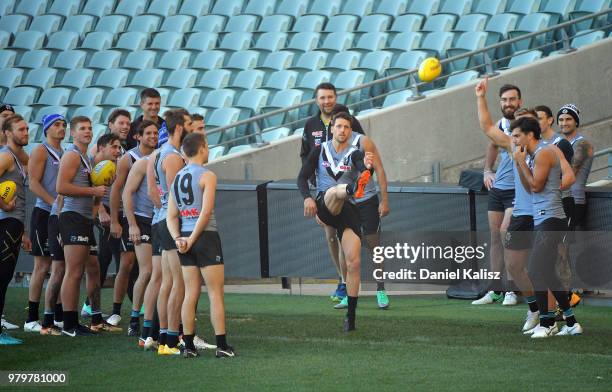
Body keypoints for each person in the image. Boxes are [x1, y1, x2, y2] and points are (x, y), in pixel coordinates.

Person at [298, 112, 374, 331]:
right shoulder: (319, 150)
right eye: (339, 126)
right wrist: (307, 198)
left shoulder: (354, 153)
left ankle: (351, 318)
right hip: (324, 204)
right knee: (334, 191)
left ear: (351, 131)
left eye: (347, 127)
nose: (342, 130)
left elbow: (365, 170)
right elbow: (302, 177)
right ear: (331, 128)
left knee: (354, 262)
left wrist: (367, 169)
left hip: (347, 210)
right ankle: (349, 189)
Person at [167, 132, 236, 358]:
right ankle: (222, 347)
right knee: (215, 293)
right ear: (203, 148)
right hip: (204, 237)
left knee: (190, 293)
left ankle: (188, 346)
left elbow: (171, 216)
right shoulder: (207, 175)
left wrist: (179, 238)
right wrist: (193, 239)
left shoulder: (177, 177)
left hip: (184, 237)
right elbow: (205, 214)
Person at [512, 116, 582, 338]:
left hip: (551, 219)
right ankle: (571, 322)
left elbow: (536, 185)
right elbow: (529, 185)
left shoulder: (543, 153)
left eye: (516, 135)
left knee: (534, 270)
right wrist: (520, 162)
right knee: (547, 273)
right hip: (544, 218)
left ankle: (547, 322)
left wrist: (521, 162)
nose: (513, 140)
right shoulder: (533, 154)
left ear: (529, 135)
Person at [472, 84, 523, 306]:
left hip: (518, 190)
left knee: (506, 234)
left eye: (512, 99)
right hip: (498, 189)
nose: (508, 103)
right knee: (495, 237)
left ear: (519, 102)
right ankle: (496, 289)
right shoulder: (501, 126)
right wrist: (487, 170)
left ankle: (512, 289)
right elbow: (492, 141)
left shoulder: (526, 128)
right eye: (504, 100)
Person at [56, 116, 105, 336]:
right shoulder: (72, 155)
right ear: (72, 133)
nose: (87, 131)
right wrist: (93, 192)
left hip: (82, 218)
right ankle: (68, 324)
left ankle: (73, 322)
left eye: (90, 128)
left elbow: (91, 192)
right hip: (72, 217)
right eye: (82, 128)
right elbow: (61, 187)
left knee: (81, 271)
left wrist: (99, 191)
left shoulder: (86, 157)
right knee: (73, 272)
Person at [149, 110, 191, 355]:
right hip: (170, 221)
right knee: (179, 283)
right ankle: (171, 341)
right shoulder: (172, 156)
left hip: (161, 220)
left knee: (168, 282)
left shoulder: (160, 153)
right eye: (187, 124)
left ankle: (164, 338)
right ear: (178, 128)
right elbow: (178, 197)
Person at [24, 114, 66, 334]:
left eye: (64, 125)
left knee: (59, 264)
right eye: (57, 125)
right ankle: (31, 317)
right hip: (44, 212)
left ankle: (57, 314)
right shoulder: (41, 150)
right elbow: (33, 183)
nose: (62, 129)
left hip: (58, 214)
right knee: (42, 266)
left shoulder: (64, 151)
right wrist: (52, 203)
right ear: (47, 129)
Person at [120, 120, 158, 340]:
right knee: (146, 270)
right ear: (138, 136)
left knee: (158, 272)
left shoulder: (159, 157)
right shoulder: (133, 159)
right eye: (149, 133)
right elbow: (125, 192)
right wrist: (131, 223)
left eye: (155, 133)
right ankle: (135, 319)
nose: (153, 136)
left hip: (158, 220)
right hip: (141, 220)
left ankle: (152, 316)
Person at [0, 114, 31, 345]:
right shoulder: (6, 157)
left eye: (27, 129)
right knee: (2, 276)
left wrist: (24, 232)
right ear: (8, 133)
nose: (26, 133)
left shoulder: (19, 158)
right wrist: (3, 204)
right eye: (21, 130)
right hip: (6, 222)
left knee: (5, 275)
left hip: (15, 224)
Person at [558, 104, 593, 306]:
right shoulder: (558, 142)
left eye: (568, 119)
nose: (564, 123)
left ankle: (568, 294)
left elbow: (570, 170)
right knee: (558, 245)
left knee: (562, 245)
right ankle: (564, 291)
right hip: (560, 199)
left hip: (574, 201)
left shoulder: (583, 144)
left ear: (576, 122)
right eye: (561, 120)